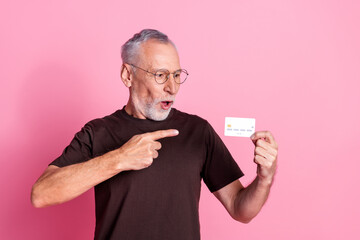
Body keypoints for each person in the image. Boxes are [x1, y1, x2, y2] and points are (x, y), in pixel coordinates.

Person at [31, 29, 278, 240]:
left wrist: (264, 178)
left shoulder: (198, 132)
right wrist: (118, 158)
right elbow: (41, 194)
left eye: (177, 75)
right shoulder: (98, 132)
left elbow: (240, 209)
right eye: (160, 75)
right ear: (128, 75)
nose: (172, 87)